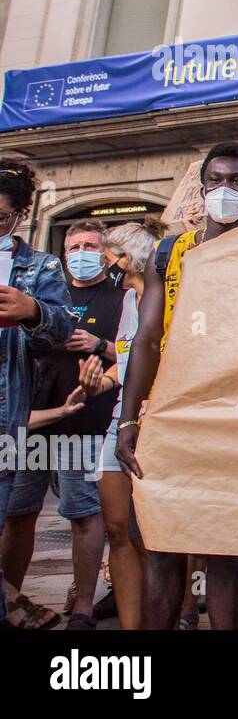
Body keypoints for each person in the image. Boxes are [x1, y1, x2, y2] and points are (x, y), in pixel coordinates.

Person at [116, 143, 238, 630]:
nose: (226, 189)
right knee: (162, 543)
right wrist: (128, 418)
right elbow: (146, 339)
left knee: (225, 550)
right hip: (170, 413)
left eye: (237, 181)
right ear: (202, 188)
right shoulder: (170, 250)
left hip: (236, 417)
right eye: (216, 179)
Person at [2, 217, 122, 630]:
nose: (81, 254)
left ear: (104, 254)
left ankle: (84, 608)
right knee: (18, 512)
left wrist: (99, 345)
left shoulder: (120, 297)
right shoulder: (42, 288)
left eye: (91, 246)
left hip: (86, 422)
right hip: (31, 418)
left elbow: (136, 349)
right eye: (74, 247)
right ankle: (13, 601)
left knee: (83, 514)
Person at [73, 218, 167, 629]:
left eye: (108, 256)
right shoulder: (128, 304)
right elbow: (126, 366)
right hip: (119, 423)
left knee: (151, 536)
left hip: (159, 428)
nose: (103, 264)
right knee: (118, 531)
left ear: (127, 260)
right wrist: (99, 384)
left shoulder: (169, 302)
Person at [0, 159, 75, 629]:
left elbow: (60, 331)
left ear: (19, 216)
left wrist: (32, 311)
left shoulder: (38, 267)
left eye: (0, 218)